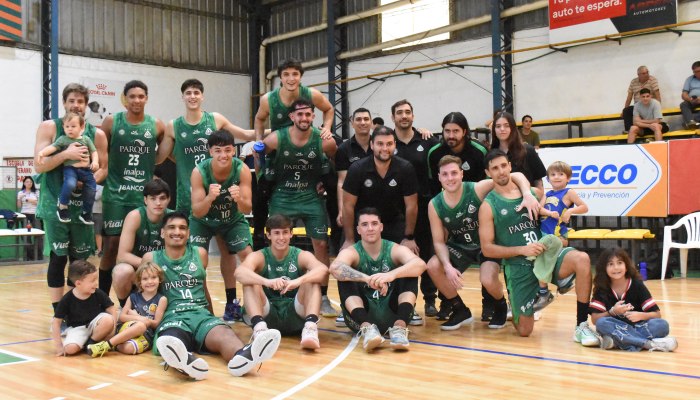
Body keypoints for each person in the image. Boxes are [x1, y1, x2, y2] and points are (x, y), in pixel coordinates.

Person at [155, 78, 256, 321]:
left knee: (228, 252)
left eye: (196, 92)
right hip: (191, 199)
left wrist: (275, 132)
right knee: (193, 258)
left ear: (202, 96)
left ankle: (232, 303)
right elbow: (160, 157)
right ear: (182, 97)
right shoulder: (174, 126)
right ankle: (193, 304)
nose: (192, 96)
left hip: (224, 202)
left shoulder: (215, 120)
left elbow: (245, 134)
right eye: (188, 92)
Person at [479, 149, 599, 345]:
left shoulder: (533, 193)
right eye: (495, 168)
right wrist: (522, 250)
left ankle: (581, 325)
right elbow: (487, 249)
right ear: (488, 172)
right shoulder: (488, 206)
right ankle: (524, 300)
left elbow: (554, 211)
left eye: (503, 166)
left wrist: (561, 227)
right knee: (524, 330)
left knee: (582, 259)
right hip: (519, 266)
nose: (501, 171)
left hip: (546, 255)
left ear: (510, 166)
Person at [144, 211, 281, 380]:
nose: (177, 232)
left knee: (225, 334)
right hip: (172, 316)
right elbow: (144, 293)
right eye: (171, 227)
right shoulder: (151, 258)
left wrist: (212, 317)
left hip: (200, 314)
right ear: (162, 232)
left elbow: (203, 286)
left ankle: (244, 357)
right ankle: (185, 362)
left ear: (188, 232)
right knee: (172, 340)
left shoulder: (200, 253)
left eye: (182, 228)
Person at [427, 155, 538, 330]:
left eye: (454, 173)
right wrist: (447, 266)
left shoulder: (477, 188)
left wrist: (527, 193)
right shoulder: (435, 204)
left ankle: (501, 305)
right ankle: (460, 310)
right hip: (461, 246)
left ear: (461, 174)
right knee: (433, 266)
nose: (450, 178)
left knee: (487, 278)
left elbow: (514, 175)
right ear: (439, 177)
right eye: (445, 174)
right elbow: (439, 242)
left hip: (487, 244)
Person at [34, 83, 108, 322]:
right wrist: (66, 154)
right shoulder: (50, 127)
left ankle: (76, 312)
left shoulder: (96, 134)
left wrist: (88, 180)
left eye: (80, 102)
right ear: (64, 103)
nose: (76, 105)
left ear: (86, 106)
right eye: (72, 101)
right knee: (57, 258)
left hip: (81, 207)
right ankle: (59, 314)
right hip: (55, 204)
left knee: (80, 262)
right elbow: (39, 165)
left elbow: (103, 168)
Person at [261, 98, 338, 317]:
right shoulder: (276, 138)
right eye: (300, 114)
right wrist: (265, 183)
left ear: (313, 116)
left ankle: (323, 296)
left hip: (310, 196)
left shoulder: (325, 141)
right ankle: (274, 292)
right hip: (282, 197)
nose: (304, 118)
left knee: (321, 244)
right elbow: (260, 159)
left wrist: (325, 181)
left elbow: (334, 163)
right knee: (278, 243)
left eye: (308, 114)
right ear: (292, 117)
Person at [99, 80, 165, 296]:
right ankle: (102, 297)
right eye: (132, 96)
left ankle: (137, 299)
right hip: (116, 194)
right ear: (125, 99)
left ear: (146, 99)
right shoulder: (111, 122)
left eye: (141, 96)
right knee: (111, 246)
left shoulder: (156, 125)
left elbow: (165, 151)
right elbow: (100, 150)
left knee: (141, 246)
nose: (136, 100)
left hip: (142, 196)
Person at [330, 208, 427, 352]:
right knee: (344, 274)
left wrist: (391, 275)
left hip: (394, 314)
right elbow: (335, 268)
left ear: (381, 227)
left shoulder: (393, 249)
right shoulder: (352, 251)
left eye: (374, 223)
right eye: (365, 224)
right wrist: (368, 279)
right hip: (360, 318)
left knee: (409, 271)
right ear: (358, 230)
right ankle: (368, 330)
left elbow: (420, 265)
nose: (370, 228)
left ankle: (399, 329)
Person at [427, 112, 491, 320]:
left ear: (464, 131)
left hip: (479, 214)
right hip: (451, 215)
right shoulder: (435, 153)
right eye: (447, 131)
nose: (451, 135)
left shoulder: (478, 151)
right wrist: (442, 216)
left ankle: (490, 304)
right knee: (440, 257)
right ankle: (449, 303)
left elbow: (490, 187)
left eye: (456, 131)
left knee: (488, 264)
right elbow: (434, 187)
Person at [235, 214, 328, 350]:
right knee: (250, 280)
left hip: (295, 313)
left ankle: (310, 328)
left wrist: (298, 281)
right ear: (268, 235)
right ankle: (259, 329)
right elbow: (239, 273)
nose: (281, 237)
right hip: (268, 314)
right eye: (276, 233)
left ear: (291, 234)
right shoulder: (260, 256)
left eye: (285, 232)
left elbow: (323, 270)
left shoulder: (300, 255)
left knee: (311, 279)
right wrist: (267, 282)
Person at [190, 129, 254, 321]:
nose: (223, 155)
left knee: (248, 256)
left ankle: (240, 305)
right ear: (210, 152)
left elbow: (246, 208)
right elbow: (197, 211)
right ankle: (204, 308)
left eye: (227, 150)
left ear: (233, 150)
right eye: (218, 151)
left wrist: (238, 199)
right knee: (198, 259)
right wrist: (210, 197)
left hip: (231, 218)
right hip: (204, 220)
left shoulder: (242, 169)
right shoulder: (199, 172)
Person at [390, 99, 439, 322]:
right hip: (396, 210)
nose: (404, 116)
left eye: (408, 112)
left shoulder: (427, 140)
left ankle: (430, 300)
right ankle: (403, 302)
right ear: (393, 117)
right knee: (400, 256)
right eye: (399, 112)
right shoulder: (387, 141)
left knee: (427, 253)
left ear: (413, 116)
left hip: (424, 208)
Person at [342, 126, 418, 251]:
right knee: (347, 258)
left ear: (395, 145)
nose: (385, 148)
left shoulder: (405, 168)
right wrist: (349, 239)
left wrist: (409, 237)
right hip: (364, 224)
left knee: (410, 253)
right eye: (380, 144)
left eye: (389, 144)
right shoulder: (357, 169)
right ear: (372, 145)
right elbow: (348, 206)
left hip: (393, 223)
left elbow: (411, 206)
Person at [589, 248, 678, 352]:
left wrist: (641, 315)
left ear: (626, 266)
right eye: (610, 264)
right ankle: (649, 344)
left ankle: (618, 342)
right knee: (602, 323)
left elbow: (657, 314)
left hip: (639, 326)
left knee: (662, 325)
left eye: (619, 263)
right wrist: (613, 312)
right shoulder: (602, 288)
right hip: (615, 326)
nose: (616, 267)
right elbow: (595, 320)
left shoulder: (637, 285)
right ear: (604, 268)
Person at [87, 261, 168, 357]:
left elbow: (156, 323)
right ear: (140, 282)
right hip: (128, 327)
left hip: (147, 334)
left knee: (129, 348)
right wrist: (143, 320)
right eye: (145, 279)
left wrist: (136, 316)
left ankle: (112, 344)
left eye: (153, 277)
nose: (150, 282)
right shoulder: (133, 297)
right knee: (140, 326)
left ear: (159, 279)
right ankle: (106, 345)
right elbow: (122, 317)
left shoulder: (162, 299)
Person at [112, 179, 172, 307]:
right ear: (145, 200)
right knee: (121, 271)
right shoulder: (135, 216)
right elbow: (122, 255)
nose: (158, 203)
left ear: (169, 200)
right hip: (139, 270)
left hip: (164, 270)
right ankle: (126, 307)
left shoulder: (173, 218)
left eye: (162, 198)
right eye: (153, 198)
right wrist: (153, 267)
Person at [537, 161, 588, 308]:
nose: (557, 177)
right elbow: (539, 209)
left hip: (558, 234)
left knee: (542, 258)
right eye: (553, 174)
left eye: (561, 174)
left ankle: (544, 291)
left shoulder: (569, 192)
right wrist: (549, 213)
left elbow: (584, 207)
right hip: (544, 233)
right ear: (548, 179)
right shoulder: (547, 194)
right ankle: (561, 282)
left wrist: (570, 211)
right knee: (539, 259)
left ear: (568, 178)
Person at [37, 112, 98, 224]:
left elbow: (94, 151)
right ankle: (62, 206)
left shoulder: (86, 139)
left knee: (92, 189)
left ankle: (86, 212)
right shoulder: (63, 139)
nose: (70, 129)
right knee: (70, 184)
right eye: (67, 126)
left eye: (73, 126)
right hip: (71, 169)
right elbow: (53, 147)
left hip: (86, 170)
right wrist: (42, 153)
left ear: (81, 127)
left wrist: (95, 161)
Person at [254, 58, 334, 141]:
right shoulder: (268, 99)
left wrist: (327, 127)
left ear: (300, 76)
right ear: (280, 77)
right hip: (279, 145)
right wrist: (258, 140)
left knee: (331, 143)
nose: (291, 79)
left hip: (305, 143)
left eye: (295, 74)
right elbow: (259, 119)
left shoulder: (312, 94)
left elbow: (328, 109)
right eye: (286, 74)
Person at [51, 260, 117, 356]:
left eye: (96, 279)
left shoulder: (98, 293)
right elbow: (56, 323)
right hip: (77, 329)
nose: (96, 283)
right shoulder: (67, 299)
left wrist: (113, 328)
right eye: (92, 281)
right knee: (70, 349)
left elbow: (111, 309)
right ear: (78, 283)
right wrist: (59, 346)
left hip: (96, 325)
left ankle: (91, 342)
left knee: (108, 320)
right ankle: (87, 344)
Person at [491, 111, 546, 195]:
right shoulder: (491, 154)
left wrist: (539, 199)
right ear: (494, 130)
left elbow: (538, 181)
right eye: (498, 126)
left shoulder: (528, 150)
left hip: (528, 199)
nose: (502, 129)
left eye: (506, 125)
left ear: (512, 128)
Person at [622, 66, 661, 132]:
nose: (646, 74)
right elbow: (629, 97)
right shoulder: (633, 82)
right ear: (638, 75)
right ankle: (629, 130)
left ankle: (642, 130)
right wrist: (624, 110)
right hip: (637, 107)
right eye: (643, 73)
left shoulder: (653, 80)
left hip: (649, 106)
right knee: (626, 110)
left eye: (647, 72)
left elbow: (658, 96)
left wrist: (658, 109)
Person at [680, 60, 700, 130]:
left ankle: (692, 122)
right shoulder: (689, 79)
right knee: (683, 104)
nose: (697, 73)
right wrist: (690, 99)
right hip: (693, 100)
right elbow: (684, 94)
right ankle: (691, 122)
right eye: (695, 72)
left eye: (698, 71)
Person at [93, 184, 103, 255]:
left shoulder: (101, 188)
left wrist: (88, 192)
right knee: (87, 233)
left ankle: (99, 250)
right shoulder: (86, 186)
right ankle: (89, 250)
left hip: (98, 213)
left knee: (98, 232)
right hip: (87, 213)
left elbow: (96, 197)